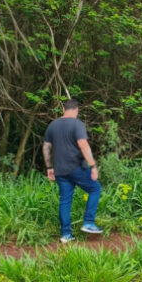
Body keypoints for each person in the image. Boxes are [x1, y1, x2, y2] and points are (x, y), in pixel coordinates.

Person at [43, 98, 103, 243]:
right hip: (76, 167)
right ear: (76, 110)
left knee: (65, 200)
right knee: (95, 189)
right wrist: (93, 166)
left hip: (60, 170)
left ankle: (66, 235)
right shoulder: (77, 124)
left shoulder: (53, 125)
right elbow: (83, 145)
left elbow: (46, 147)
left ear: (64, 109)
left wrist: (49, 167)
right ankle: (88, 222)